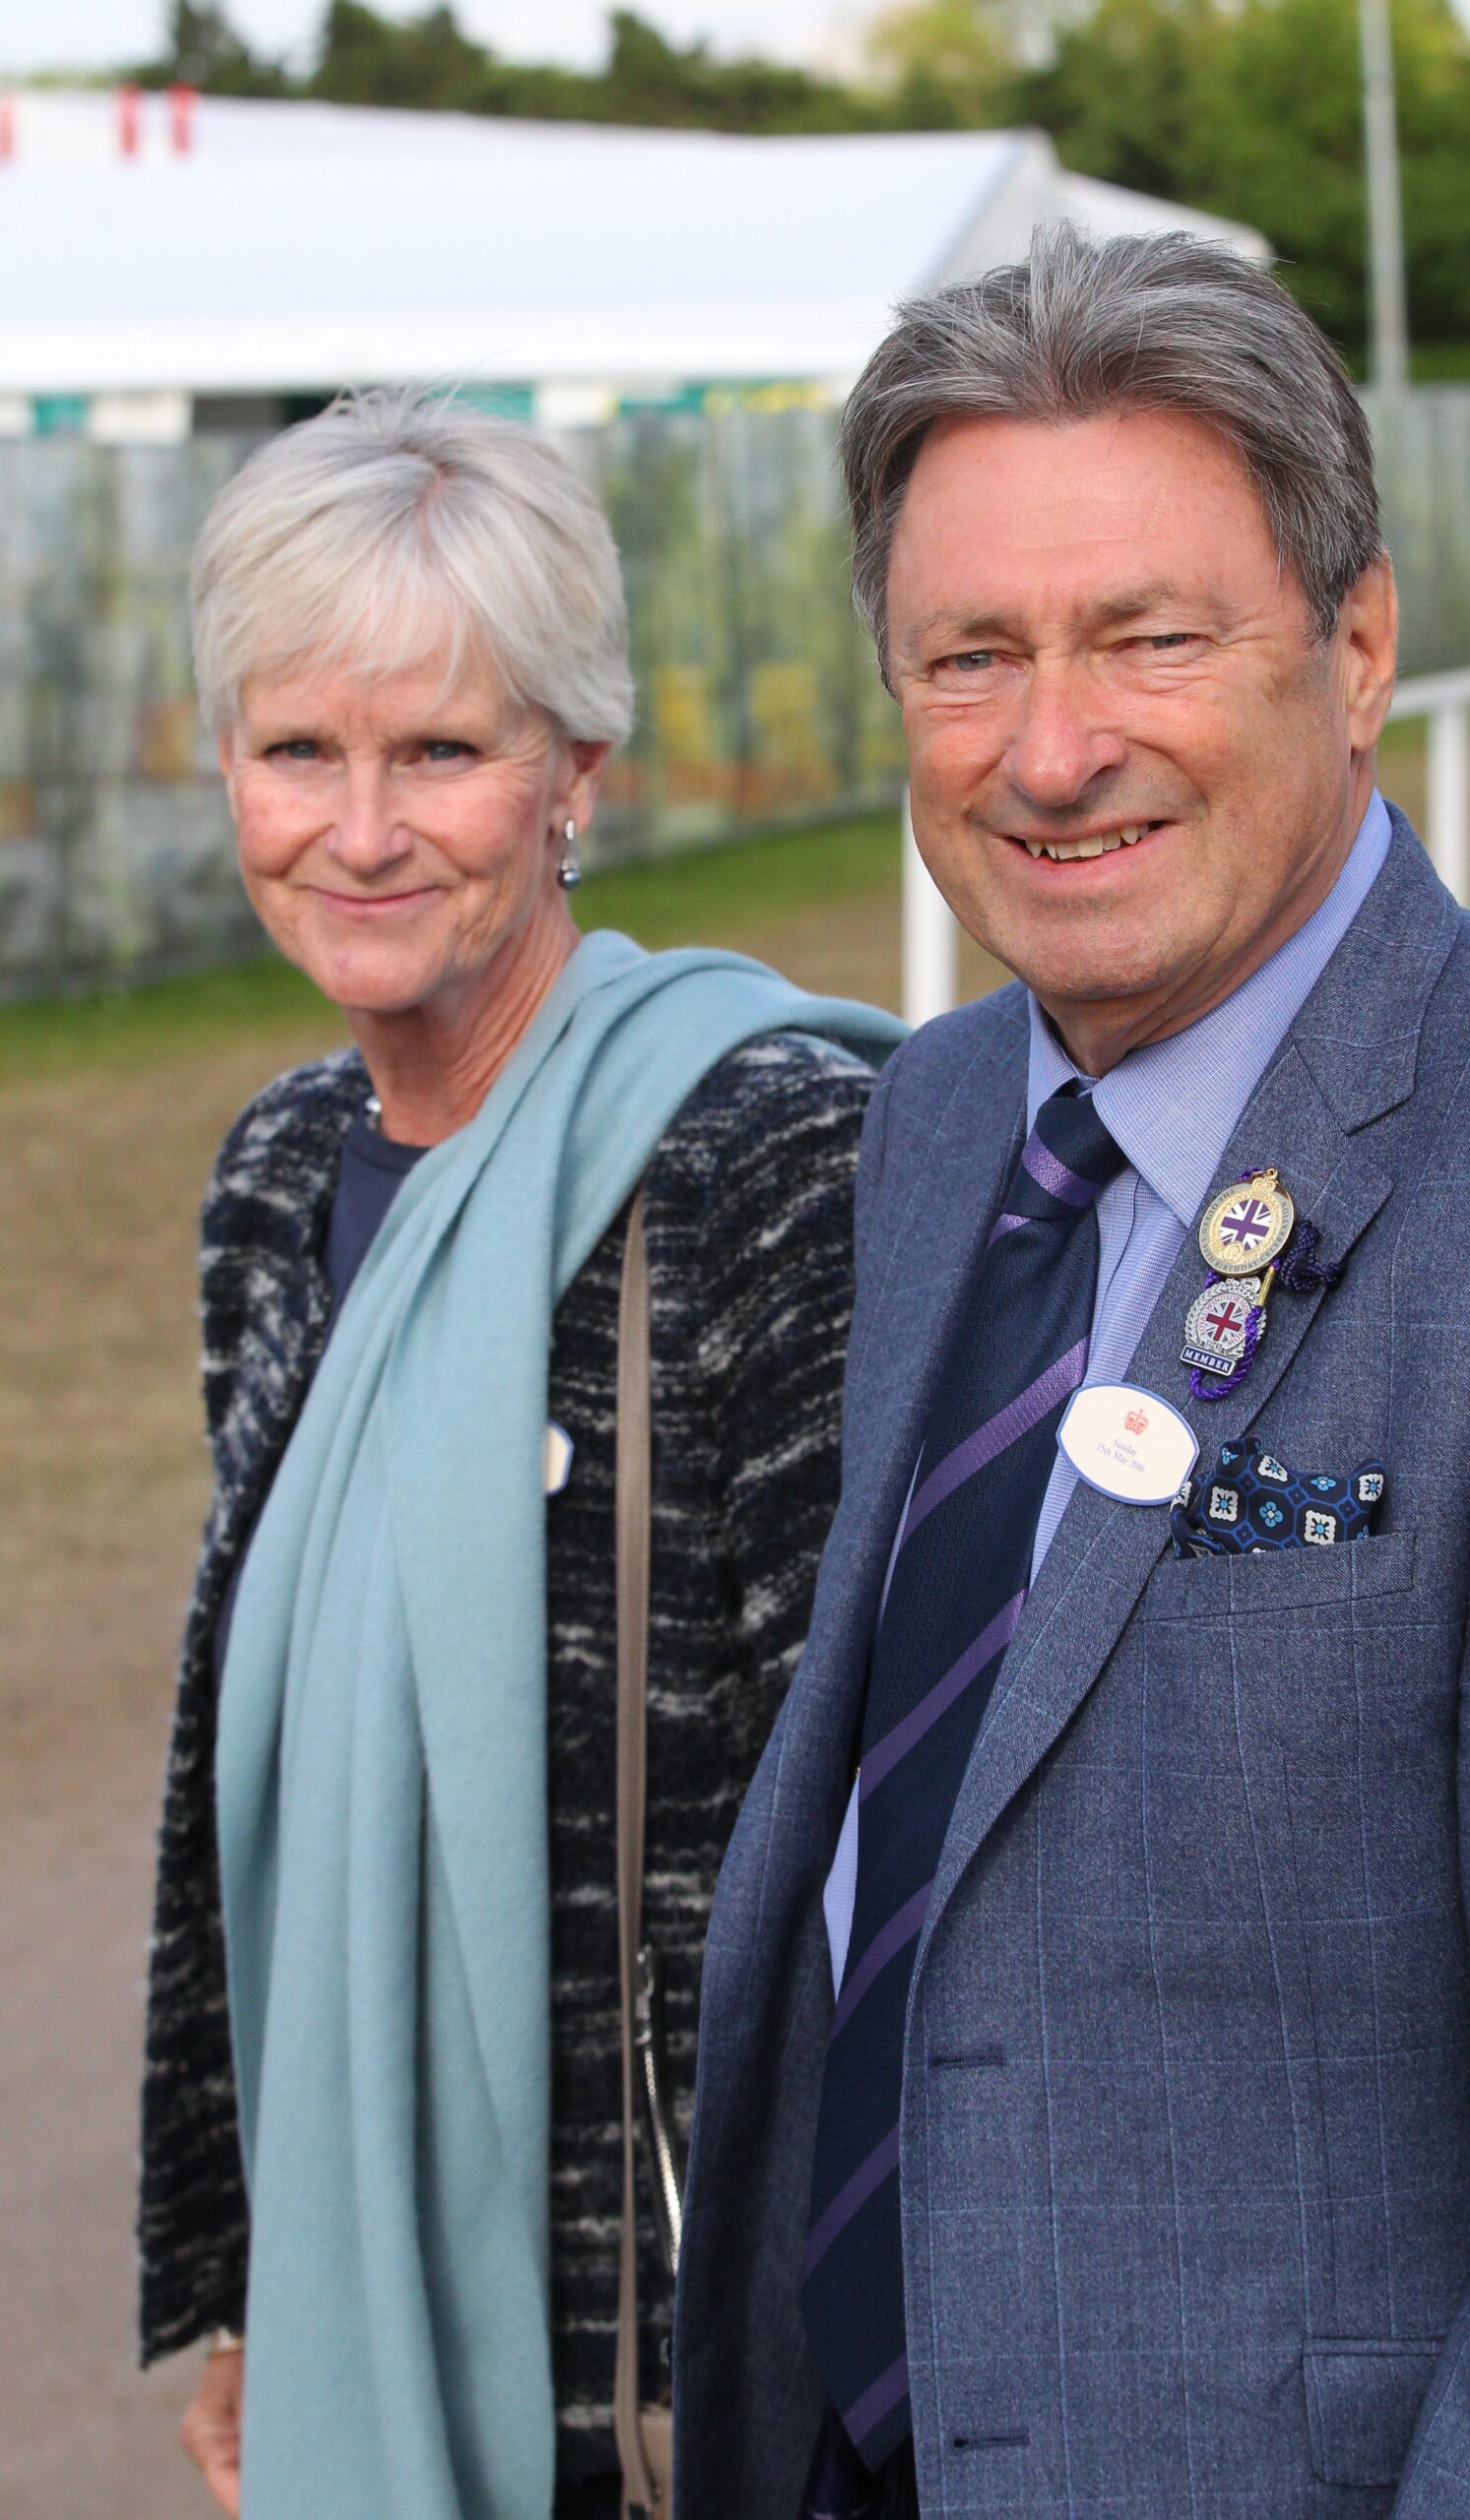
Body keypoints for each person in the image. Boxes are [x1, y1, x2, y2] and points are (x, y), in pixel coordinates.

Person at [674, 226, 1470, 2519]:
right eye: (970, 656)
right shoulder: (940, 1116)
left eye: (1153, 636)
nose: (1052, 749)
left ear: (1355, 648)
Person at [134, 389, 904, 2520]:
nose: (359, 827)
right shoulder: (280, 1175)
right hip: (363, 2289)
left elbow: (881, 1845)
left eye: (441, 753)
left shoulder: (766, 1160)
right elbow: (266, 1789)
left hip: (696, 2368)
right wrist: (263, 2281)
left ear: (577, 773)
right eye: (299, 750)